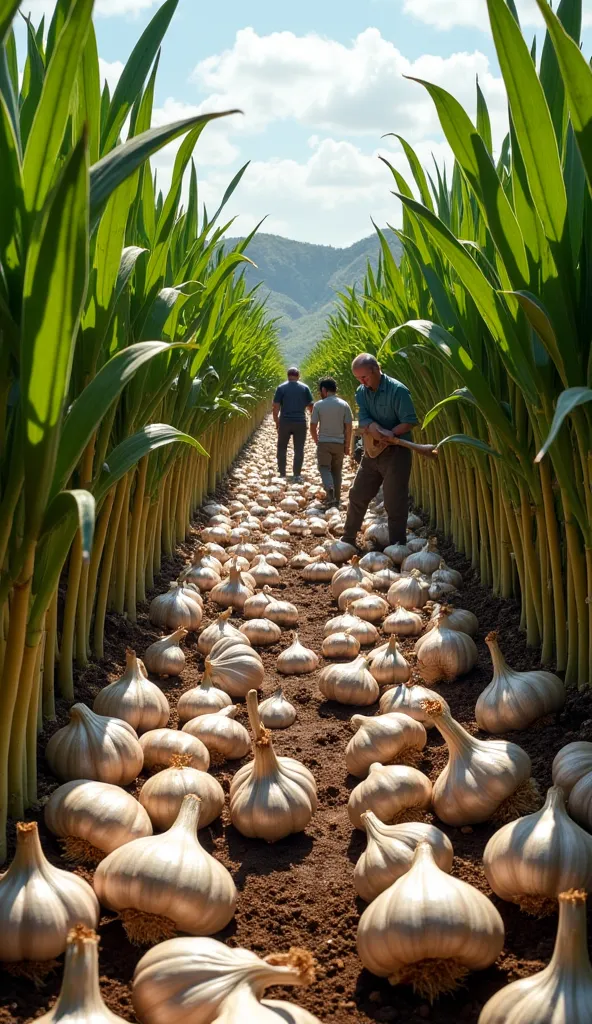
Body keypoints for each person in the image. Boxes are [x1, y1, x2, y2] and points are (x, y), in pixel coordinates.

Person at [341, 353, 418, 548]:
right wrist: (372, 427)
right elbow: (364, 417)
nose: (362, 382)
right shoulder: (361, 392)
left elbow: (409, 422)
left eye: (364, 377)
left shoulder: (398, 391)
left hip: (396, 453)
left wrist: (390, 434)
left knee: (394, 502)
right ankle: (348, 538)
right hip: (372, 451)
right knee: (357, 494)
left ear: (376, 370)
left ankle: (397, 546)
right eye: (358, 378)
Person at [310, 377, 353, 508]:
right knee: (337, 470)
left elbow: (312, 426)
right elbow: (349, 427)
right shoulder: (344, 405)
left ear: (324, 389)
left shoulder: (319, 405)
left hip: (324, 442)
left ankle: (329, 488)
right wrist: (347, 445)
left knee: (324, 467)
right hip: (339, 443)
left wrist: (316, 439)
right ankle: (337, 498)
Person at [272, 367, 313, 481]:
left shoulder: (281, 388)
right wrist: (313, 421)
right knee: (299, 449)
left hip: (285, 421)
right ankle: (296, 474)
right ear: (298, 376)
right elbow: (311, 406)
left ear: (287, 376)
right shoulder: (305, 388)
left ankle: (282, 473)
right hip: (300, 421)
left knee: (281, 448)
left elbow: (275, 407)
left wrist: (277, 421)